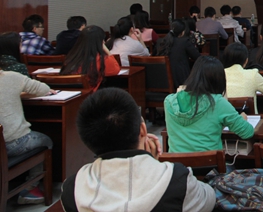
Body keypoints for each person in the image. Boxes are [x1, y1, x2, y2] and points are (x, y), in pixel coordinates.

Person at [61, 88, 215, 212]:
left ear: (86, 139)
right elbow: (209, 198)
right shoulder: (177, 180)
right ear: (143, 130)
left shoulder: (72, 190)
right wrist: (153, 164)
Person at [165, 56, 254, 152]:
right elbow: (247, 132)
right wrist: (241, 119)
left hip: (175, 161)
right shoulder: (218, 102)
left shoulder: (169, 101)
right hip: (210, 161)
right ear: (220, 80)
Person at [0, 66, 54, 204]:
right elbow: (44, 89)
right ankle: (30, 189)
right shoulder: (11, 77)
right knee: (47, 141)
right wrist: (18, 93)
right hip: (14, 144)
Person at [61, 25, 121, 91]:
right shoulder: (101, 59)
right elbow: (115, 70)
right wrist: (107, 51)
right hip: (90, 95)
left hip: (71, 94)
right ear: (101, 42)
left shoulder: (71, 57)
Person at [221, 42, 263, 114]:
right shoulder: (253, 74)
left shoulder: (218, 74)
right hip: (249, 119)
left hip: (224, 119)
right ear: (246, 61)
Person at [156, 19, 201, 88]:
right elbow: (198, 57)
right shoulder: (184, 42)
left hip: (161, 81)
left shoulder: (160, 42)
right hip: (181, 82)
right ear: (183, 32)